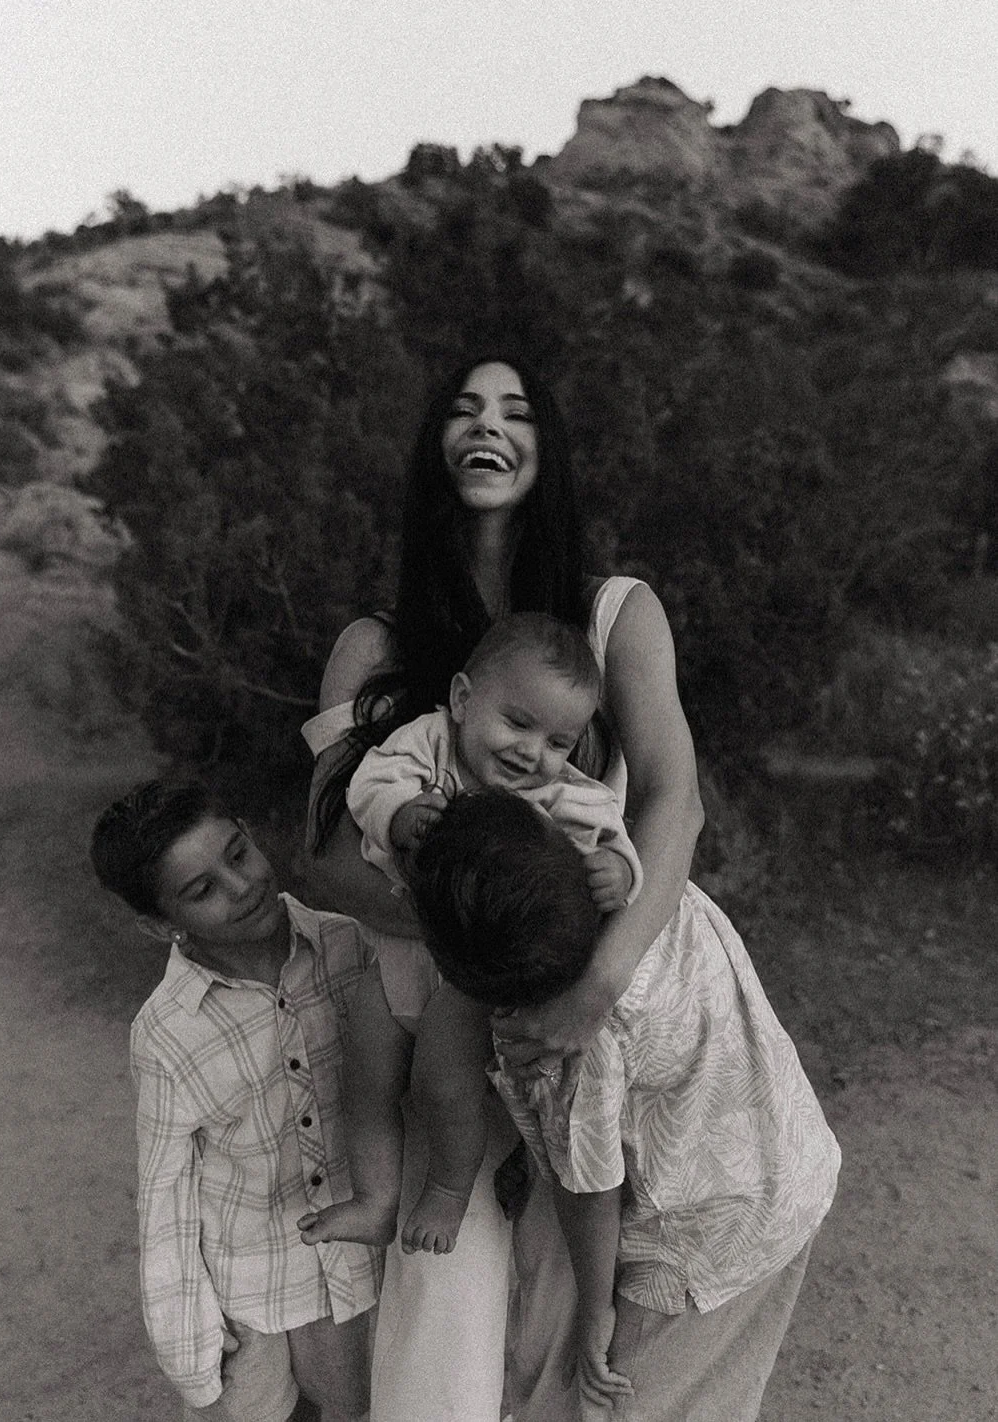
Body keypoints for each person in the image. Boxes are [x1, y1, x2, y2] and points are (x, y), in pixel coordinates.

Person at [301, 355, 707, 1422]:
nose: (489, 426)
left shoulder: (614, 615)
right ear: (433, 446)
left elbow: (670, 803)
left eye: (517, 411)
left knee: (583, 1312)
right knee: (445, 1297)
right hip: (441, 987)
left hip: (583, 1010)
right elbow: (326, 856)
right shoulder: (371, 647)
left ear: (547, 450)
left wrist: (591, 983)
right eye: (464, 409)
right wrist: (473, 928)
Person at [409, 788, 841, 1422]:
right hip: (791, 1167)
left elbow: (590, 1191)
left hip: (696, 1241)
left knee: (623, 1400)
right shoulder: (653, 890)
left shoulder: (558, 1046)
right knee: (714, 1392)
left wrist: (595, 1312)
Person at [298, 612, 641, 1258]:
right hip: (395, 946)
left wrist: (616, 870)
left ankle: (449, 1190)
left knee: (441, 1081)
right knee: (362, 1070)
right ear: (461, 699)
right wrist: (398, 815)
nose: (531, 752)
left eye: (557, 742)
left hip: (466, 980)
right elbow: (367, 784)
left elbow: (611, 829)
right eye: (517, 723)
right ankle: (374, 1198)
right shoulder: (423, 745)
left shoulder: (558, 794)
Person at [90, 778, 379, 1422]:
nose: (241, 885)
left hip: (367, 1267)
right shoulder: (167, 1033)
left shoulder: (352, 946)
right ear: (159, 924)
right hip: (253, 1292)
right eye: (202, 890)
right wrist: (192, 1357)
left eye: (238, 854)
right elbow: (166, 1200)